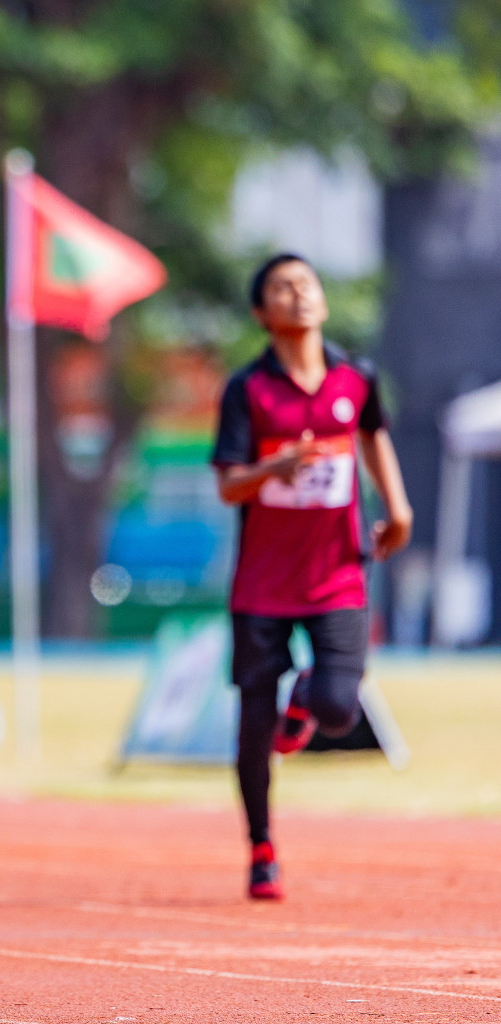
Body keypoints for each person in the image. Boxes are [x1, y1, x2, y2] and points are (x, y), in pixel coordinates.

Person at [211, 253, 412, 900]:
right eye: (280, 287)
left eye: (306, 284)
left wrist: (399, 507)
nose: (297, 295)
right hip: (263, 583)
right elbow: (228, 487)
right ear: (260, 313)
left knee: (336, 707)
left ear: (322, 301)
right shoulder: (248, 390)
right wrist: (275, 469)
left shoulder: (357, 376)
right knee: (253, 725)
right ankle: (262, 847)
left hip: (338, 574)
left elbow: (373, 434)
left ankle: (306, 699)